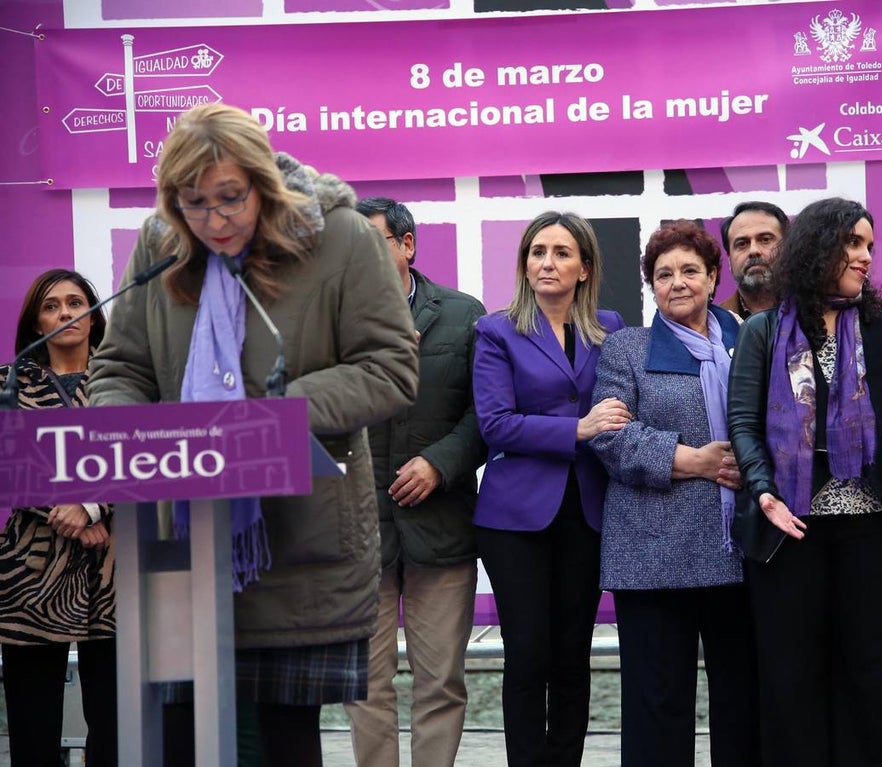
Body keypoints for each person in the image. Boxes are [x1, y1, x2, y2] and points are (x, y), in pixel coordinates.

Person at [86, 103, 419, 766]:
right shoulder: (161, 243)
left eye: (231, 198)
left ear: (263, 182)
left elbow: (391, 369)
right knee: (179, 743)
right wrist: (125, 435)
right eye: (194, 203)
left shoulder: (342, 237)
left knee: (281, 744)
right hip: (180, 542)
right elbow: (121, 365)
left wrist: (276, 415)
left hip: (299, 542)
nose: (214, 220)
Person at [727, 197, 882, 767]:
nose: (866, 256)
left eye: (870, 245)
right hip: (787, 531)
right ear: (820, 247)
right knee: (791, 683)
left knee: (874, 681)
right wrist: (764, 492)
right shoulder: (764, 331)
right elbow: (744, 424)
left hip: (874, 529)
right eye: (853, 243)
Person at [590, 220, 757, 766]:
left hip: (745, 551)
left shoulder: (752, 339)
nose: (677, 282)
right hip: (654, 555)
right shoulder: (627, 349)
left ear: (714, 276)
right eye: (664, 274)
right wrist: (693, 461)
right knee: (657, 706)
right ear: (651, 287)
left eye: (690, 270)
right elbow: (610, 435)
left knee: (743, 702)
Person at [471, 211, 627, 767]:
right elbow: (494, 424)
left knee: (571, 658)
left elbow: (625, 410)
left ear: (584, 267)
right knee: (528, 656)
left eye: (561, 253)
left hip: (587, 511)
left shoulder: (610, 327)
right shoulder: (495, 330)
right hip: (515, 519)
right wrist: (577, 428)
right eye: (538, 252)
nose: (547, 262)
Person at [342, 197, 487, 767]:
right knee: (366, 688)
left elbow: (487, 415)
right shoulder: (331, 321)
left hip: (440, 528)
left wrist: (440, 462)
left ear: (407, 245)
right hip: (357, 535)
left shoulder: (463, 315)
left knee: (441, 684)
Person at [0, 269, 116, 767]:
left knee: (116, 724)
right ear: (35, 321)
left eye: (76, 302)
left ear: (94, 316)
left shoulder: (126, 381)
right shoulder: (6, 382)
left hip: (117, 570)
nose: (65, 313)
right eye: (51, 305)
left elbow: (149, 451)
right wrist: (65, 510)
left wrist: (96, 505)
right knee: (32, 725)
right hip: (31, 572)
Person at [717, 201, 788, 318]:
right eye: (742, 244)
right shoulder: (714, 326)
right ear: (729, 258)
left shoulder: (818, 313)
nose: (753, 251)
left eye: (765, 240)